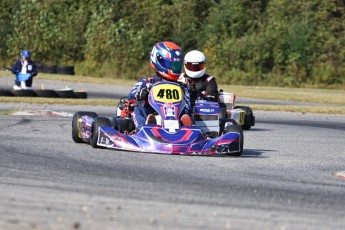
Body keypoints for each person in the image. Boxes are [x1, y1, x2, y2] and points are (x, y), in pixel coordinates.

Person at [128, 41, 192, 131]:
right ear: (158, 61)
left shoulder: (182, 85)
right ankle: (143, 129)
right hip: (152, 114)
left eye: (176, 65)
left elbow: (188, 105)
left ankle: (186, 128)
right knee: (138, 109)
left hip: (176, 117)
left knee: (189, 112)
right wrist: (141, 93)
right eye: (171, 65)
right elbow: (131, 95)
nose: (174, 68)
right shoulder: (147, 82)